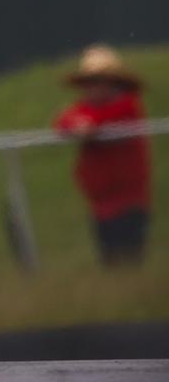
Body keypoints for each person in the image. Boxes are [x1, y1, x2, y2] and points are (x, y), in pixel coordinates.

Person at [52, 45, 151, 264]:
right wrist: (81, 125)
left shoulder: (127, 107)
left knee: (130, 260)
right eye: (89, 82)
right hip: (101, 204)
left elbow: (105, 121)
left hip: (129, 203)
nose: (93, 88)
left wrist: (89, 127)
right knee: (110, 261)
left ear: (113, 82)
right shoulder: (85, 109)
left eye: (99, 81)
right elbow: (63, 122)